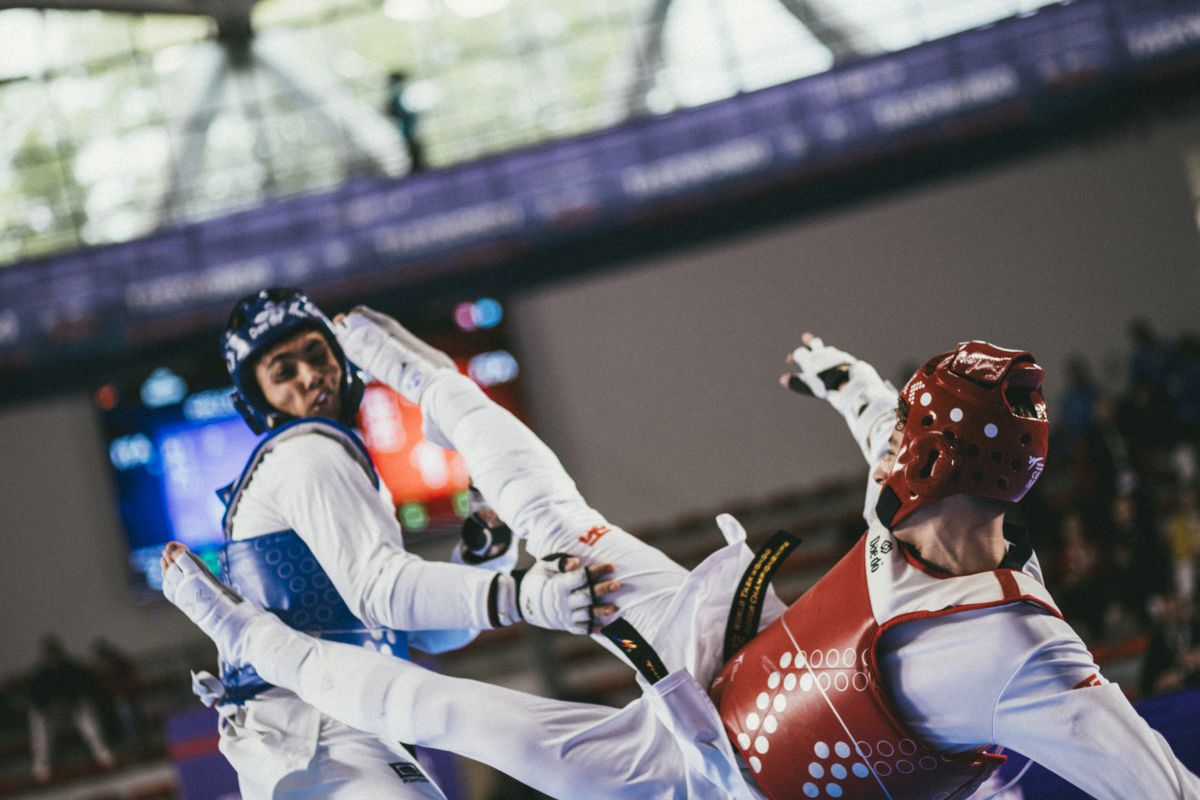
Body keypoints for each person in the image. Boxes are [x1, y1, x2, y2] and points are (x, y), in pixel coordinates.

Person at [162, 309, 1200, 799]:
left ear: (932, 459)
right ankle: (426, 376)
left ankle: (255, 641)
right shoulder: (918, 506)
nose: (887, 449)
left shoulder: (1026, 652)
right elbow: (890, 419)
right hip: (746, 647)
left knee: (462, 713)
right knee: (556, 525)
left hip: (713, 784)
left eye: (906, 435)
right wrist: (841, 378)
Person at [197, 288, 619, 799]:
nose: (310, 377)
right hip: (318, 738)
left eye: (316, 354)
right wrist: (528, 595)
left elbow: (425, 633)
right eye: (284, 372)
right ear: (257, 399)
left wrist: (487, 555)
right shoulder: (307, 454)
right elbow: (384, 592)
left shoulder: (321, 461)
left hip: (331, 737)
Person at [26, 636, 116, 783]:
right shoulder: (39, 675)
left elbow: (85, 689)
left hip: (73, 711)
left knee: (86, 712)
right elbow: (36, 699)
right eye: (49, 653)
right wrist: (52, 706)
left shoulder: (72, 668)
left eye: (54, 652)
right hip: (52, 716)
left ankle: (101, 751)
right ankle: (42, 764)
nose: (52, 656)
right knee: (37, 720)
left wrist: (69, 702)